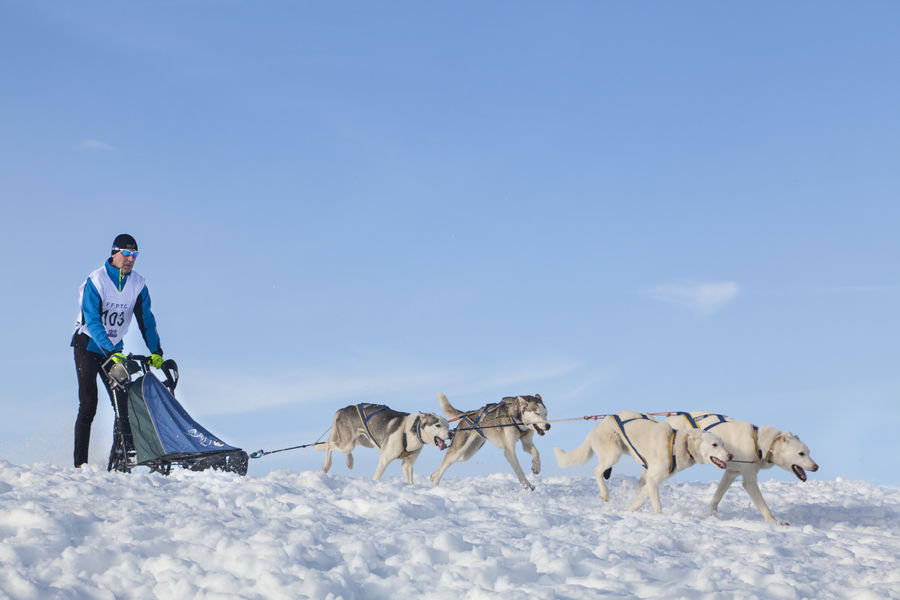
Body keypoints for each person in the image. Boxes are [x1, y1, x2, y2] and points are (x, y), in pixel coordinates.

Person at [71, 233, 164, 468]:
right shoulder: (97, 280)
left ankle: (121, 458)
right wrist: (111, 350)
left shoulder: (138, 284)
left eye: (135, 255)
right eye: (126, 254)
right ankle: (80, 465)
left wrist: (156, 350)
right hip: (88, 345)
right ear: (115, 253)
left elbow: (147, 320)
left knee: (123, 404)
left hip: (114, 350)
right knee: (89, 402)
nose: (130, 259)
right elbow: (92, 320)